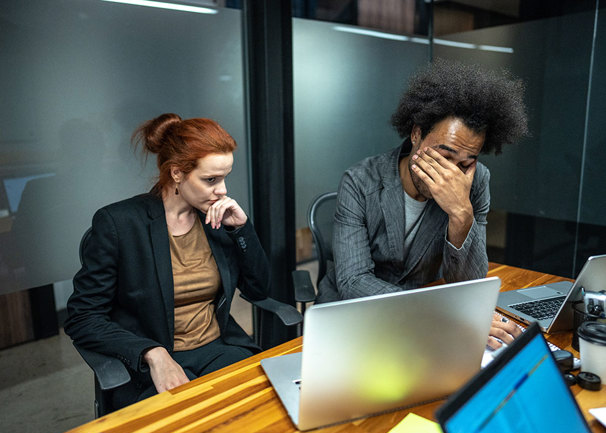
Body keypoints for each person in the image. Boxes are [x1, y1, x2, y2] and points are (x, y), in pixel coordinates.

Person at [317, 60, 529, 349]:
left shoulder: (476, 181)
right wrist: (440, 315)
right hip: (354, 318)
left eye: (465, 163)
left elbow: (469, 286)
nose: (450, 174)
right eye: (443, 155)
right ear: (416, 133)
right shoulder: (360, 181)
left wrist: (461, 214)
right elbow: (354, 282)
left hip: (422, 329)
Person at [64, 113, 270, 409]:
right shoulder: (119, 223)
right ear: (176, 173)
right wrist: (152, 353)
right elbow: (83, 317)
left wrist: (240, 229)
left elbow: (259, 290)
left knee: (258, 414)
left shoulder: (215, 218)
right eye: (210, 179)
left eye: (225, 178)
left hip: (219, 349)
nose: (223, 190)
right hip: (154, 360)